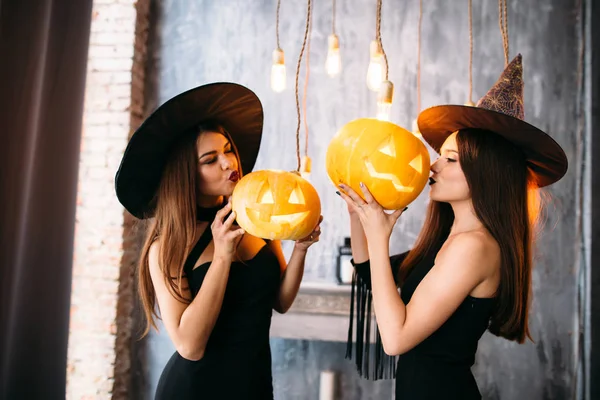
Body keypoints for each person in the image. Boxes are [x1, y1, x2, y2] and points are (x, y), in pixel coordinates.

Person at [338, 54, 568, 399]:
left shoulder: (474, 247)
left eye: (450, 159)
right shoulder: (451, 239)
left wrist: (378, 234)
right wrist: (358, 212)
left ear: (485, 173)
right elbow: (371, 271)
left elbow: (396, 338)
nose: (433, 166)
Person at [115, 82, 322, 400]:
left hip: (253, 385)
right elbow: (190, 346)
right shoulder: (169, 245)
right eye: (210, 160)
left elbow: (280, 301)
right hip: (196, 389)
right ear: (187, 174)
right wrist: (223, 256)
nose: (229, 163)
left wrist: (301, 250)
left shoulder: (256, 216)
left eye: (228, 149)